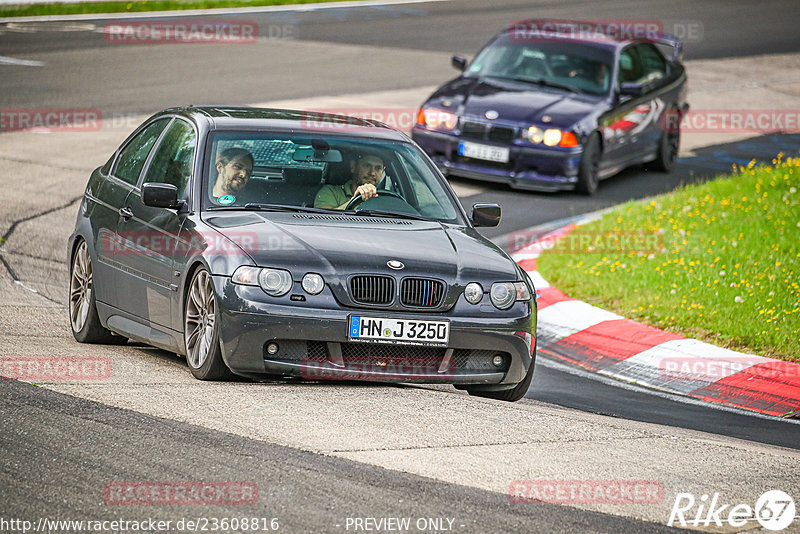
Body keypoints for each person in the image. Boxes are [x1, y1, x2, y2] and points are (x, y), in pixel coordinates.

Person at [314, 151, 385, 210]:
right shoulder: (330, 192)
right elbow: (324, 220)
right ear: (353, 167)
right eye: (367, 166)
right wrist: (355, 200)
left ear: (382, 173)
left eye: (378, 168)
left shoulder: (387, 199)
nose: (372, 173)